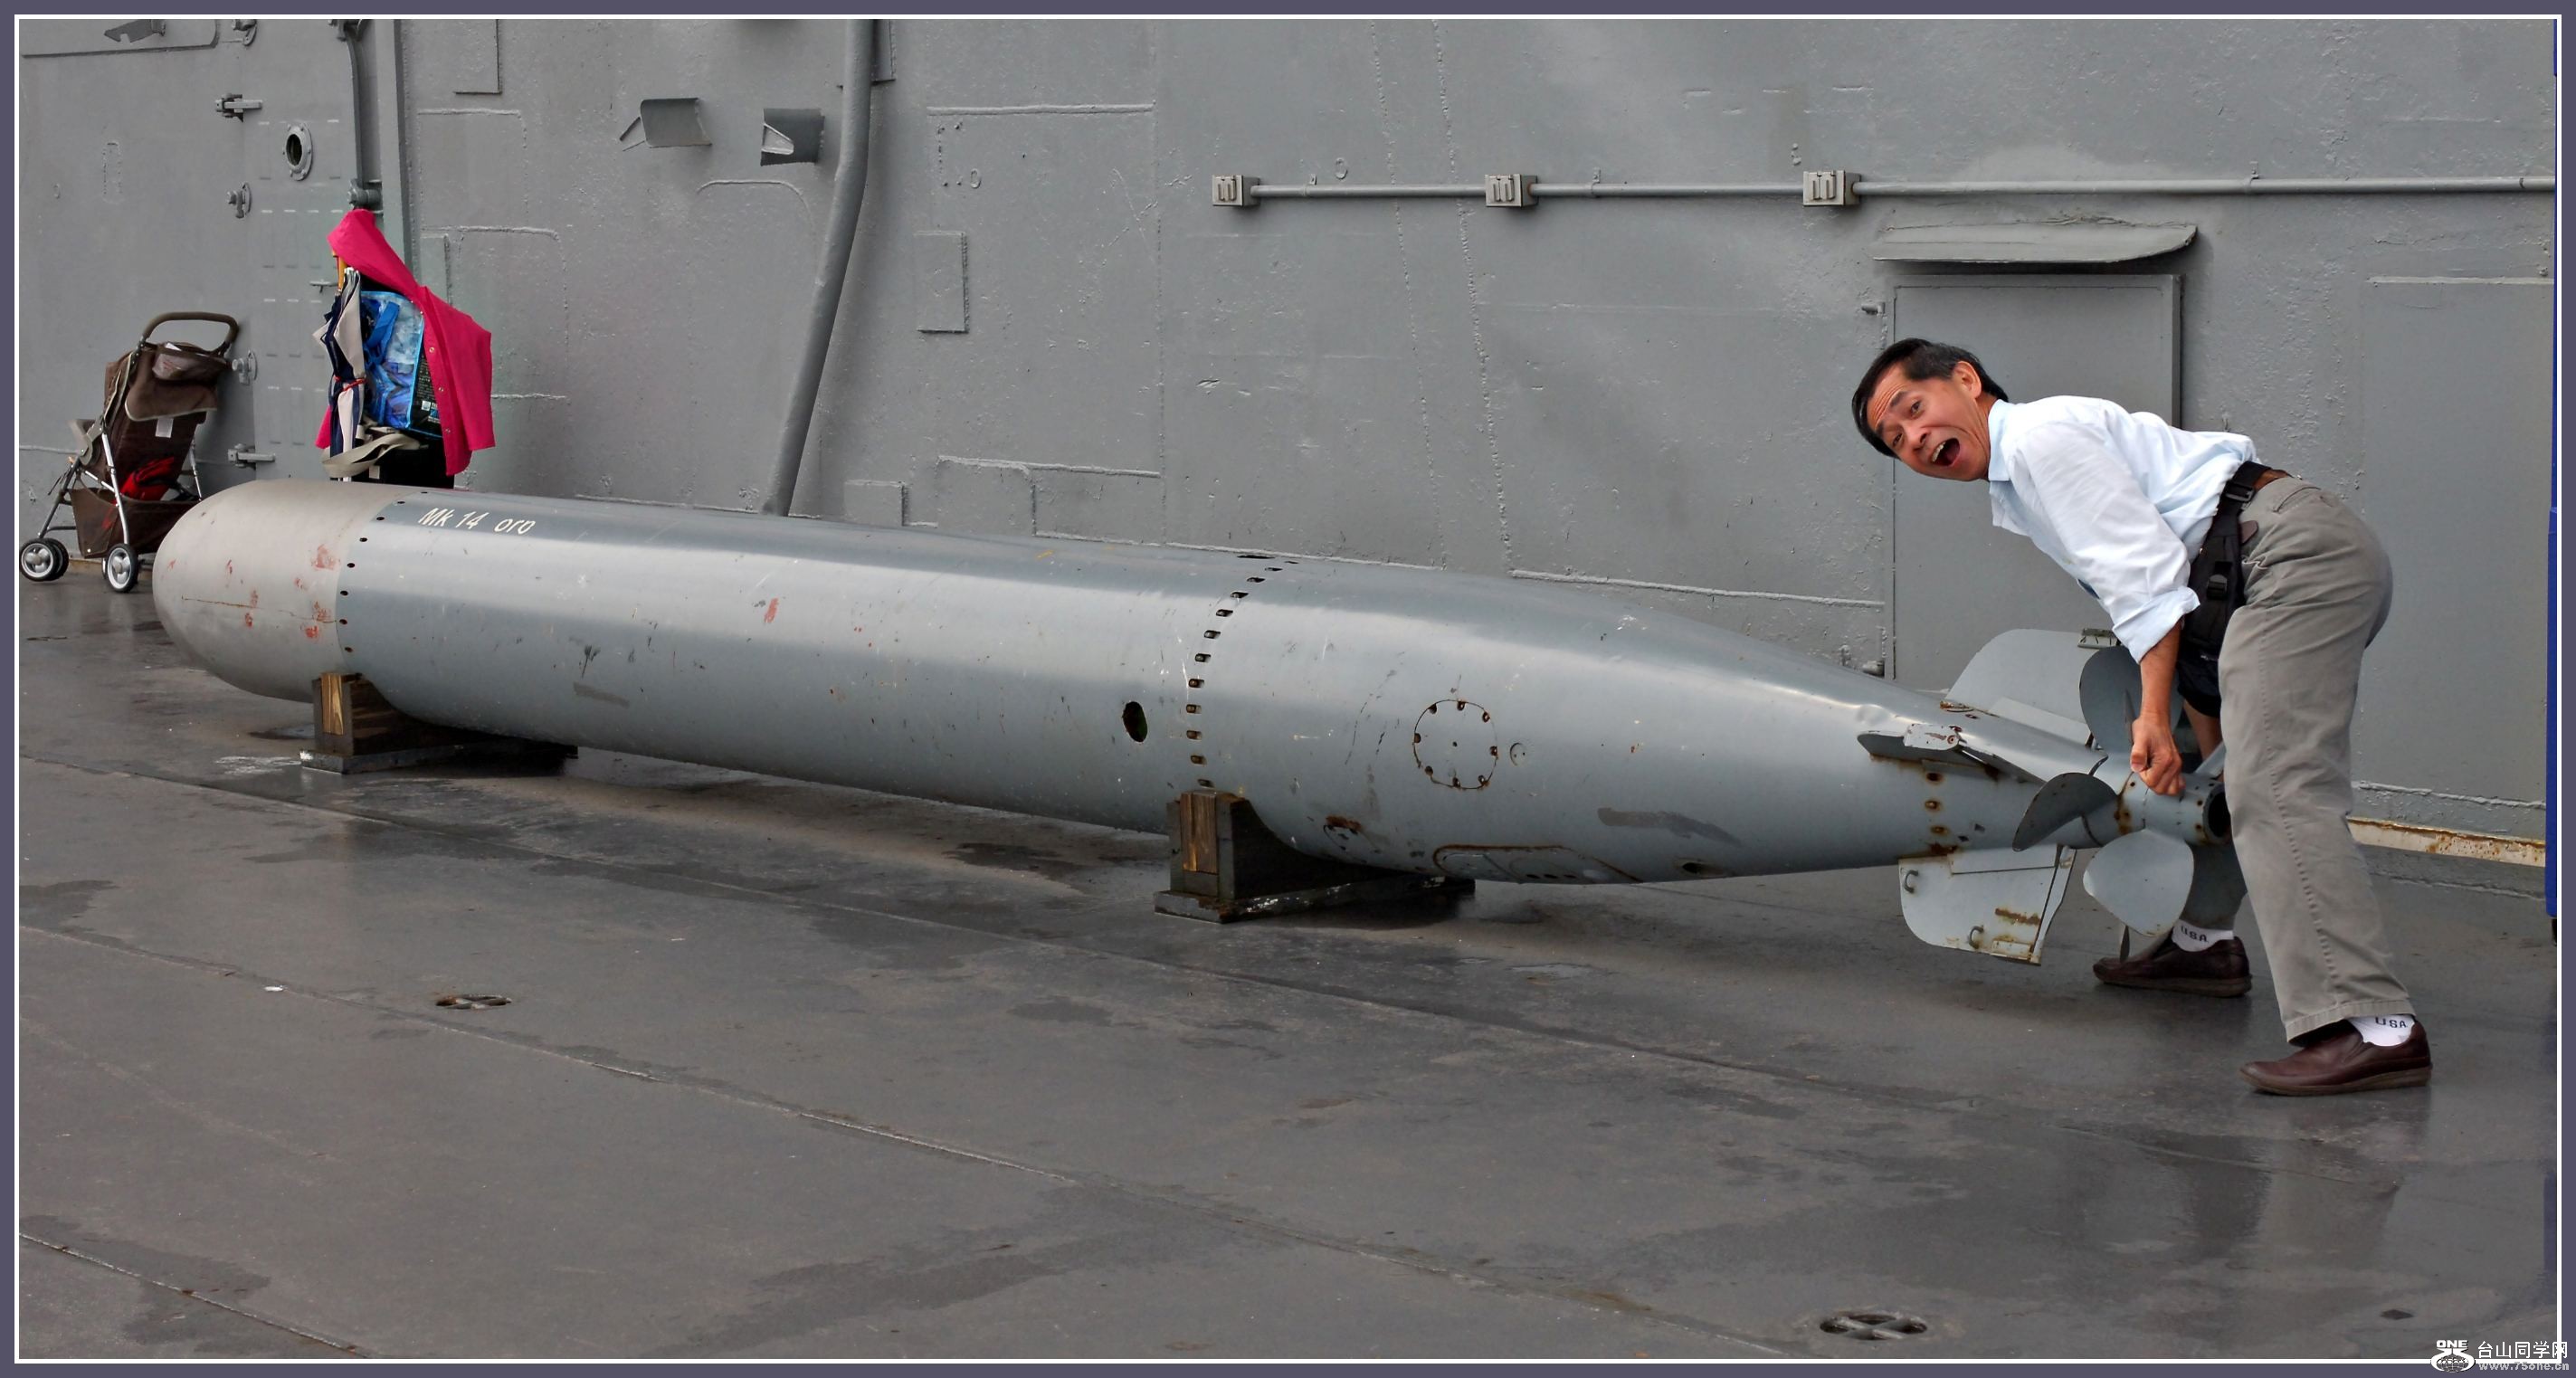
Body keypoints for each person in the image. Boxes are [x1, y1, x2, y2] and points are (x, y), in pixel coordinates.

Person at [1851, 338, 2428, 1096]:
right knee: (2211, 769)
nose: (1914, 438)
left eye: (1913, 408)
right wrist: (2194, 722)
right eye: (1894, 440)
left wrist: (2151, 716)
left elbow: (2145, 581)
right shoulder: (2021, 475)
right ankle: (2202, 942)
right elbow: (2176, 591)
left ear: (1965, 379)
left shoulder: (2039, 440)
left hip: (2285, 563)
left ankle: (2371, 1024)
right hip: (2244, 576)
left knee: (2274, 782)